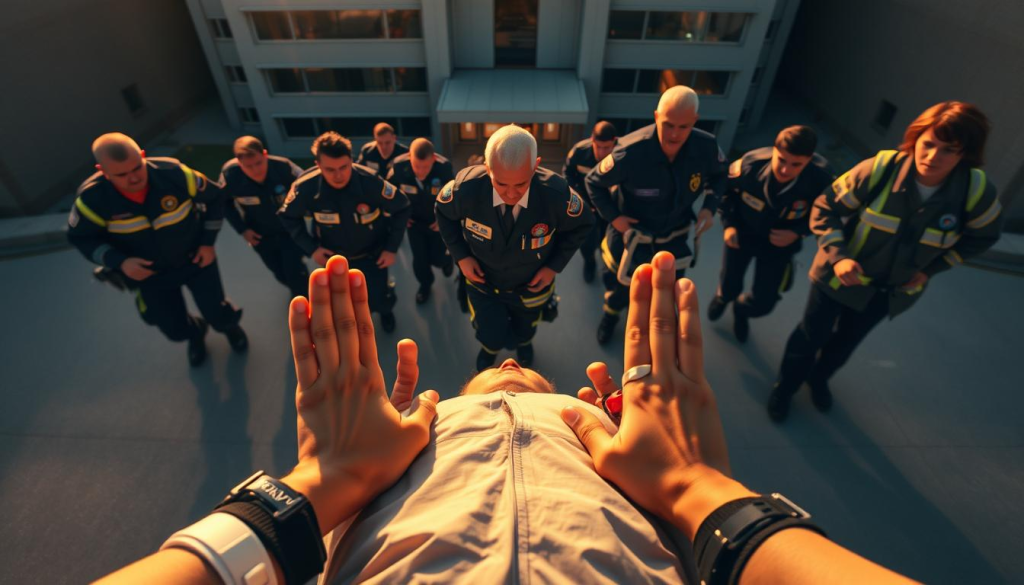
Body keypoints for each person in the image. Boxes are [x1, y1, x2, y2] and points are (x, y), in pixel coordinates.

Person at [97, 252, 914, 585]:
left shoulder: (403, 440)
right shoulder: (600, 439)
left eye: (511, 366)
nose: (510, 367)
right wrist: (705, 496)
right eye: (500, 369)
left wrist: (315, 487)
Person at [768, 101, 1004, 422]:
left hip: (889, 291)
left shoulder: (975, 192)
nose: (933, 156)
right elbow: (826, 208)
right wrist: (839, 258)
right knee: (811, 336)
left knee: (845, 343)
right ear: (916, 139)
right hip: (835, 279)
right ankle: (786, 388)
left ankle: (819, 379)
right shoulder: (880, 170)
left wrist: (930, 270)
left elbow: (984, 236)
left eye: (948, 150)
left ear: (965, 154)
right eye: (928, 144)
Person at [67, 133, 247, 367]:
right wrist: (120, 262)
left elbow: (215, 199)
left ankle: (228, 328)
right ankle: (195, 334)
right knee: (174, 328)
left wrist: (207, 242)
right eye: (121, 175)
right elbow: (81, 238)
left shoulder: (175, 174)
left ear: (143, 155)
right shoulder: (91, 200)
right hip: (149, 275)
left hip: (196, 259)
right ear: (102, 170)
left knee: (216, 310)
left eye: (137, 168)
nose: (133, 179)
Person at [435, 125, 594, 371]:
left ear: (536, 165)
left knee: (526, 326)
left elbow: (583, 224)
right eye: (500, 183)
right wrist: (462, 257)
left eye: (521, 184)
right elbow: (443, 213)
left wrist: (553, 267)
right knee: (489, 330)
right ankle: (490, 351)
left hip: (531, 284)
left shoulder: (556, 195)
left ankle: (524, 345)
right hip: (483, 283)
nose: (511, 194)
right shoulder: (465, 189)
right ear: (487, 167)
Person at [586, 85, 726, 345]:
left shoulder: (705, 147)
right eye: (668, 124)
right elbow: (594, 182)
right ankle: (611, 318)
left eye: (683, 127)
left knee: (668, 291)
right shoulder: (630, 152)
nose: (674, 134)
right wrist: (614, 218)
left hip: (674, 238)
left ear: (694, 121)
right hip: (632, 238)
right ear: (656, 116)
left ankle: (655, 330)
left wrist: (710, 205)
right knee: (620, 289)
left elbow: (719, 176)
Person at [707, 126, 833, 343]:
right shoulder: (749, 166)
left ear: (809, 159)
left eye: (796, 164)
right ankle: (724, 297)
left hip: (779, 247)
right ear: (774, 150)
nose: (785, 170)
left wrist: (798, 232)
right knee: (729, 282)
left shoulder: (821, 181)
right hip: (742, 235)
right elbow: (724, 192)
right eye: (781, 160)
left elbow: (828, 214)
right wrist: (729, 225)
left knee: (764, 302)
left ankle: (742, 310)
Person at [278, 132, 410, 333]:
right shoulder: (305, 187)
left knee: (379, 295)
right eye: (330, 169)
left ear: (351, 160)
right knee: (342, 299)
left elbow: (401, 207)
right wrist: (311, 249)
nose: (338, 175)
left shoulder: (371, 182)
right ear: (318, 164)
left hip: (373, 256)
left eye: (344, 167)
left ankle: (385, 313)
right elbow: (288, 217)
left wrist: (391, 249)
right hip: (334, 259)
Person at [219, 136, 309, 298]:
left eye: (259, 163)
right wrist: (243, 230)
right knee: (279, 273)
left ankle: (304, 302)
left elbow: (308, 188)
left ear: (265, 154)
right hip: (260, 235)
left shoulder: (284, 167)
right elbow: (224, 203)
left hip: (289, 232)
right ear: (239, 163)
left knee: (294, 273)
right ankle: (300, 289)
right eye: (248, 166)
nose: (255, 170)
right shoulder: (230, 175)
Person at [385, 138, 456, 304]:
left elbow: (454, 197)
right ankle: (425, 285)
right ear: (410, 157)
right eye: (416, 166)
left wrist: (444, 220)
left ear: (434, 159)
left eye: (425, 166)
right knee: (420, 260)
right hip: (414, 223)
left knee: (438, 257)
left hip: (436, 223)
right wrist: (400, 215)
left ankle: (446, 261)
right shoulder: (399, 168)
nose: (420, 172)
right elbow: (389, 195)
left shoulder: (444, 169)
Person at [562, 120, 618, 283]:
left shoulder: (623, 154)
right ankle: (590, 262)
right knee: (586, 243)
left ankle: (607, 268)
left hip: (611, 211)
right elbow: (567, 176)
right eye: (598, 146)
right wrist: (579, 202)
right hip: (587, 210)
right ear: (592, 140)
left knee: (609, 243)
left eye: (607, 147)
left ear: (614, 141)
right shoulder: (579, 152)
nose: (602, 152)